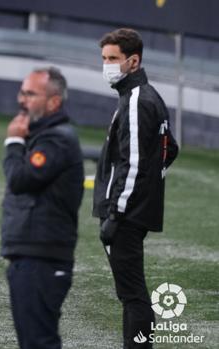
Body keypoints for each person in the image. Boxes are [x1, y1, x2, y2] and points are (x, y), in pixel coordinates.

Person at [93, 28, 179, 348]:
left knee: (132, 295)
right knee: (130, 293)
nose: (107, 65)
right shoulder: (141, 95)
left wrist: (116, 211)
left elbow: (135, 163)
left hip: (126, 215)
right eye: (104, 58)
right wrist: (147, 189)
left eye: (112, 58)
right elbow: (170, 151)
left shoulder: (137, 99)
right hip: (134, 209)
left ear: (133, 61)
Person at [1, 67, 84, 349]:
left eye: (31, 94)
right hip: (30, 253)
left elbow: (20, 179)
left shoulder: (56, 138)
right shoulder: (42, 135)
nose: (22, 100)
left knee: (39, 342)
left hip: (42, 257)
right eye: (22, 92)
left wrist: (13, 142)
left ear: (54, 102)